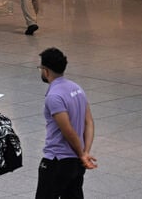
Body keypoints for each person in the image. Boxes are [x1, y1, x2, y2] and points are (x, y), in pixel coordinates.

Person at [36, 47, 96, 198]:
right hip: (76, 162)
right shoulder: (77, 88)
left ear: (46, 71)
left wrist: (82, 154)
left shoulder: (54, 96)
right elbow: (89, 122)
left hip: (57, 160)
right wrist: (85, 152)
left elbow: (67, 130)